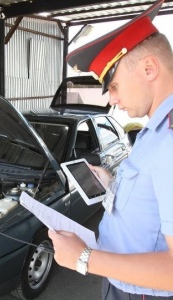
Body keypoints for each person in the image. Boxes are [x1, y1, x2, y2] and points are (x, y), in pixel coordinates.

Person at [48, 0, 173, 299]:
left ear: (148, 68)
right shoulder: (153, 131)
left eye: (113, 85)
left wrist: (85, 257)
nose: (112, 100)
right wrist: (113, 184)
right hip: (119, 280)